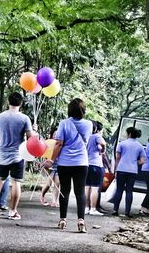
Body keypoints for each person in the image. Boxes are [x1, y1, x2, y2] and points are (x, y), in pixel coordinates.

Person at [44, 98, 92, 233]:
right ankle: (81, 221)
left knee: (64, 191)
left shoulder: (64, 123)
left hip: (65, 162)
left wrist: (52, 160)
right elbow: (86, 141)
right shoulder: (89, 124)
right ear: (83, 110)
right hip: (82, 162)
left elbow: (59, 143)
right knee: (80, 191)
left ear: (70, 110)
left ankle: (63, 220)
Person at [0, 92, 33, 220]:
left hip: (2, 154)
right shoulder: (24, 118)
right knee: (16, 182)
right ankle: (13, 211)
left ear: (8, 102)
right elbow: (30, 138)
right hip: (18, 155)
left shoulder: (0, 117)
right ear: (21, 103)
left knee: (0, 179)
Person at [112, 127, 146, 217]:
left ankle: (115, 210)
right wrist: (135, 162)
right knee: (129, 191)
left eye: (126, 133)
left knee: (119, 190)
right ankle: (127, 212)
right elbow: (142, 161)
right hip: (132, 171)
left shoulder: (122, 144)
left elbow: (118, 158)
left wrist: (116, 169)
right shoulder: (140, 146)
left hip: (121, 169)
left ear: (129, 134)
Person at [85, 121, 107, 216]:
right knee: (94, 188)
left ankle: (86, 208)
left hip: (86, 164)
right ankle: (93, 209)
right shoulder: (96, 136)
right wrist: (103, 150)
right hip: (95, 165)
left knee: (86, 187)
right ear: (97, 129)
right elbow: (103, 143)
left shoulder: (86, 136)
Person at [40, 126, 60, 207]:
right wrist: (45, 163)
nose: (55, 135)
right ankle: (42, 196)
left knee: (57, 183)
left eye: (57, 134)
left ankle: (55, 201)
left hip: (59, 165)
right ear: (52, 135)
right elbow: (45, 155)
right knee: (48, 183)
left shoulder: (60, 143)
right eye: (54, 134)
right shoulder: (48, 143)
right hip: (50, 165)